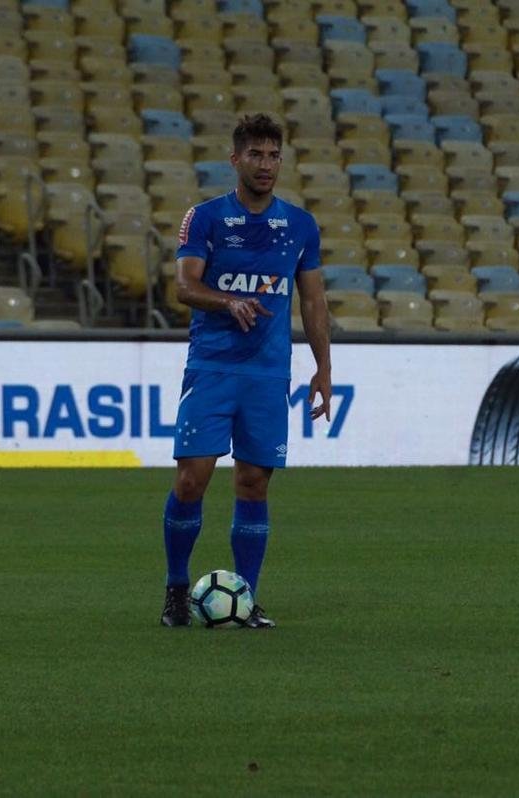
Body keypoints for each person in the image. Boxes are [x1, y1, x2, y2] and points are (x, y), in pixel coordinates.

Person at [159, 114, 332, 628]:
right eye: (255, 154)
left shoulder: (300, 226)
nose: (265, 164)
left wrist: (323, 369)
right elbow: (184, 287)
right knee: (193, 480)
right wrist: (227, 300)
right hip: (212, 367)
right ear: (234, 159)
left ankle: (247, 598)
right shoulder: (205, 218)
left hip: (267, 372)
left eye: (273, 155)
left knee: (254, 482)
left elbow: (314, 302)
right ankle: (175, 586)